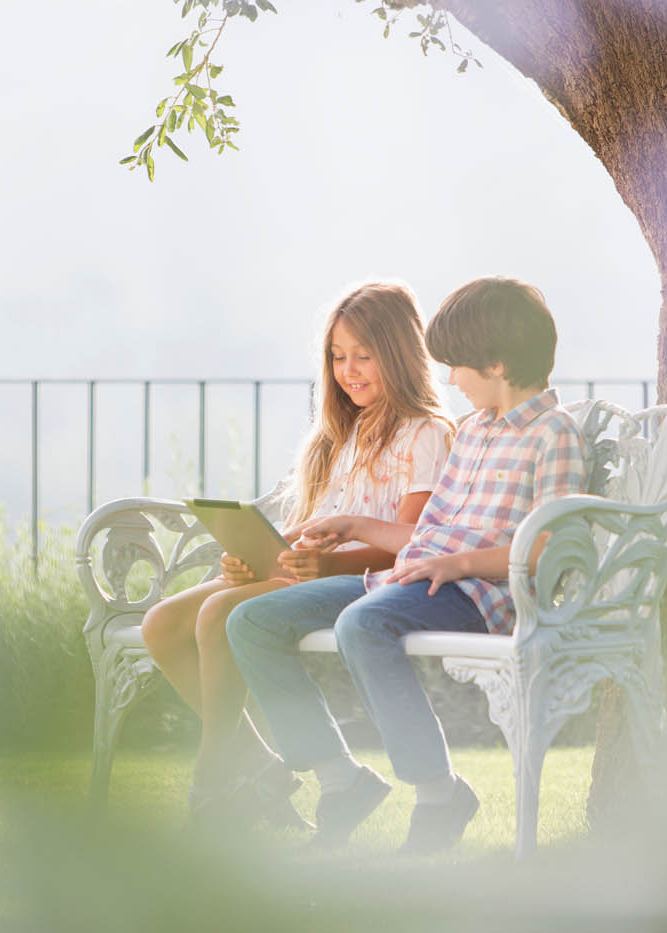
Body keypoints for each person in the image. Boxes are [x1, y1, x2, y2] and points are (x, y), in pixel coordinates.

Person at [226, 276, 586, 853]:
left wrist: (461, 561)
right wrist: (356, 526)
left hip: (476, 590)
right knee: (252, 622)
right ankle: (338, 777)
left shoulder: (553, 434)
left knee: (363, 625)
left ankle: (438, 793)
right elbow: (429, 532)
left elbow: (546, 547)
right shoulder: (474, 431)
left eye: (458, 368)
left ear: (495, 365)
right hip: (415, 575)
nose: (450, 381)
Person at [140, 282, 453, 828]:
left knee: (220, 614)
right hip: (302, 574)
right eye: (337, 357)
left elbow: (410, 547)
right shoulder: (339, 434)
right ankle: (260, 766)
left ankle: (213, 766)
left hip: (363, 585)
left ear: (400, 354)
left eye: (364, 356)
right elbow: (305, 529)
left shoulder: (424, 435)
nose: (348, 371)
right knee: (162, 623)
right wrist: (250, 558)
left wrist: (325, 565)